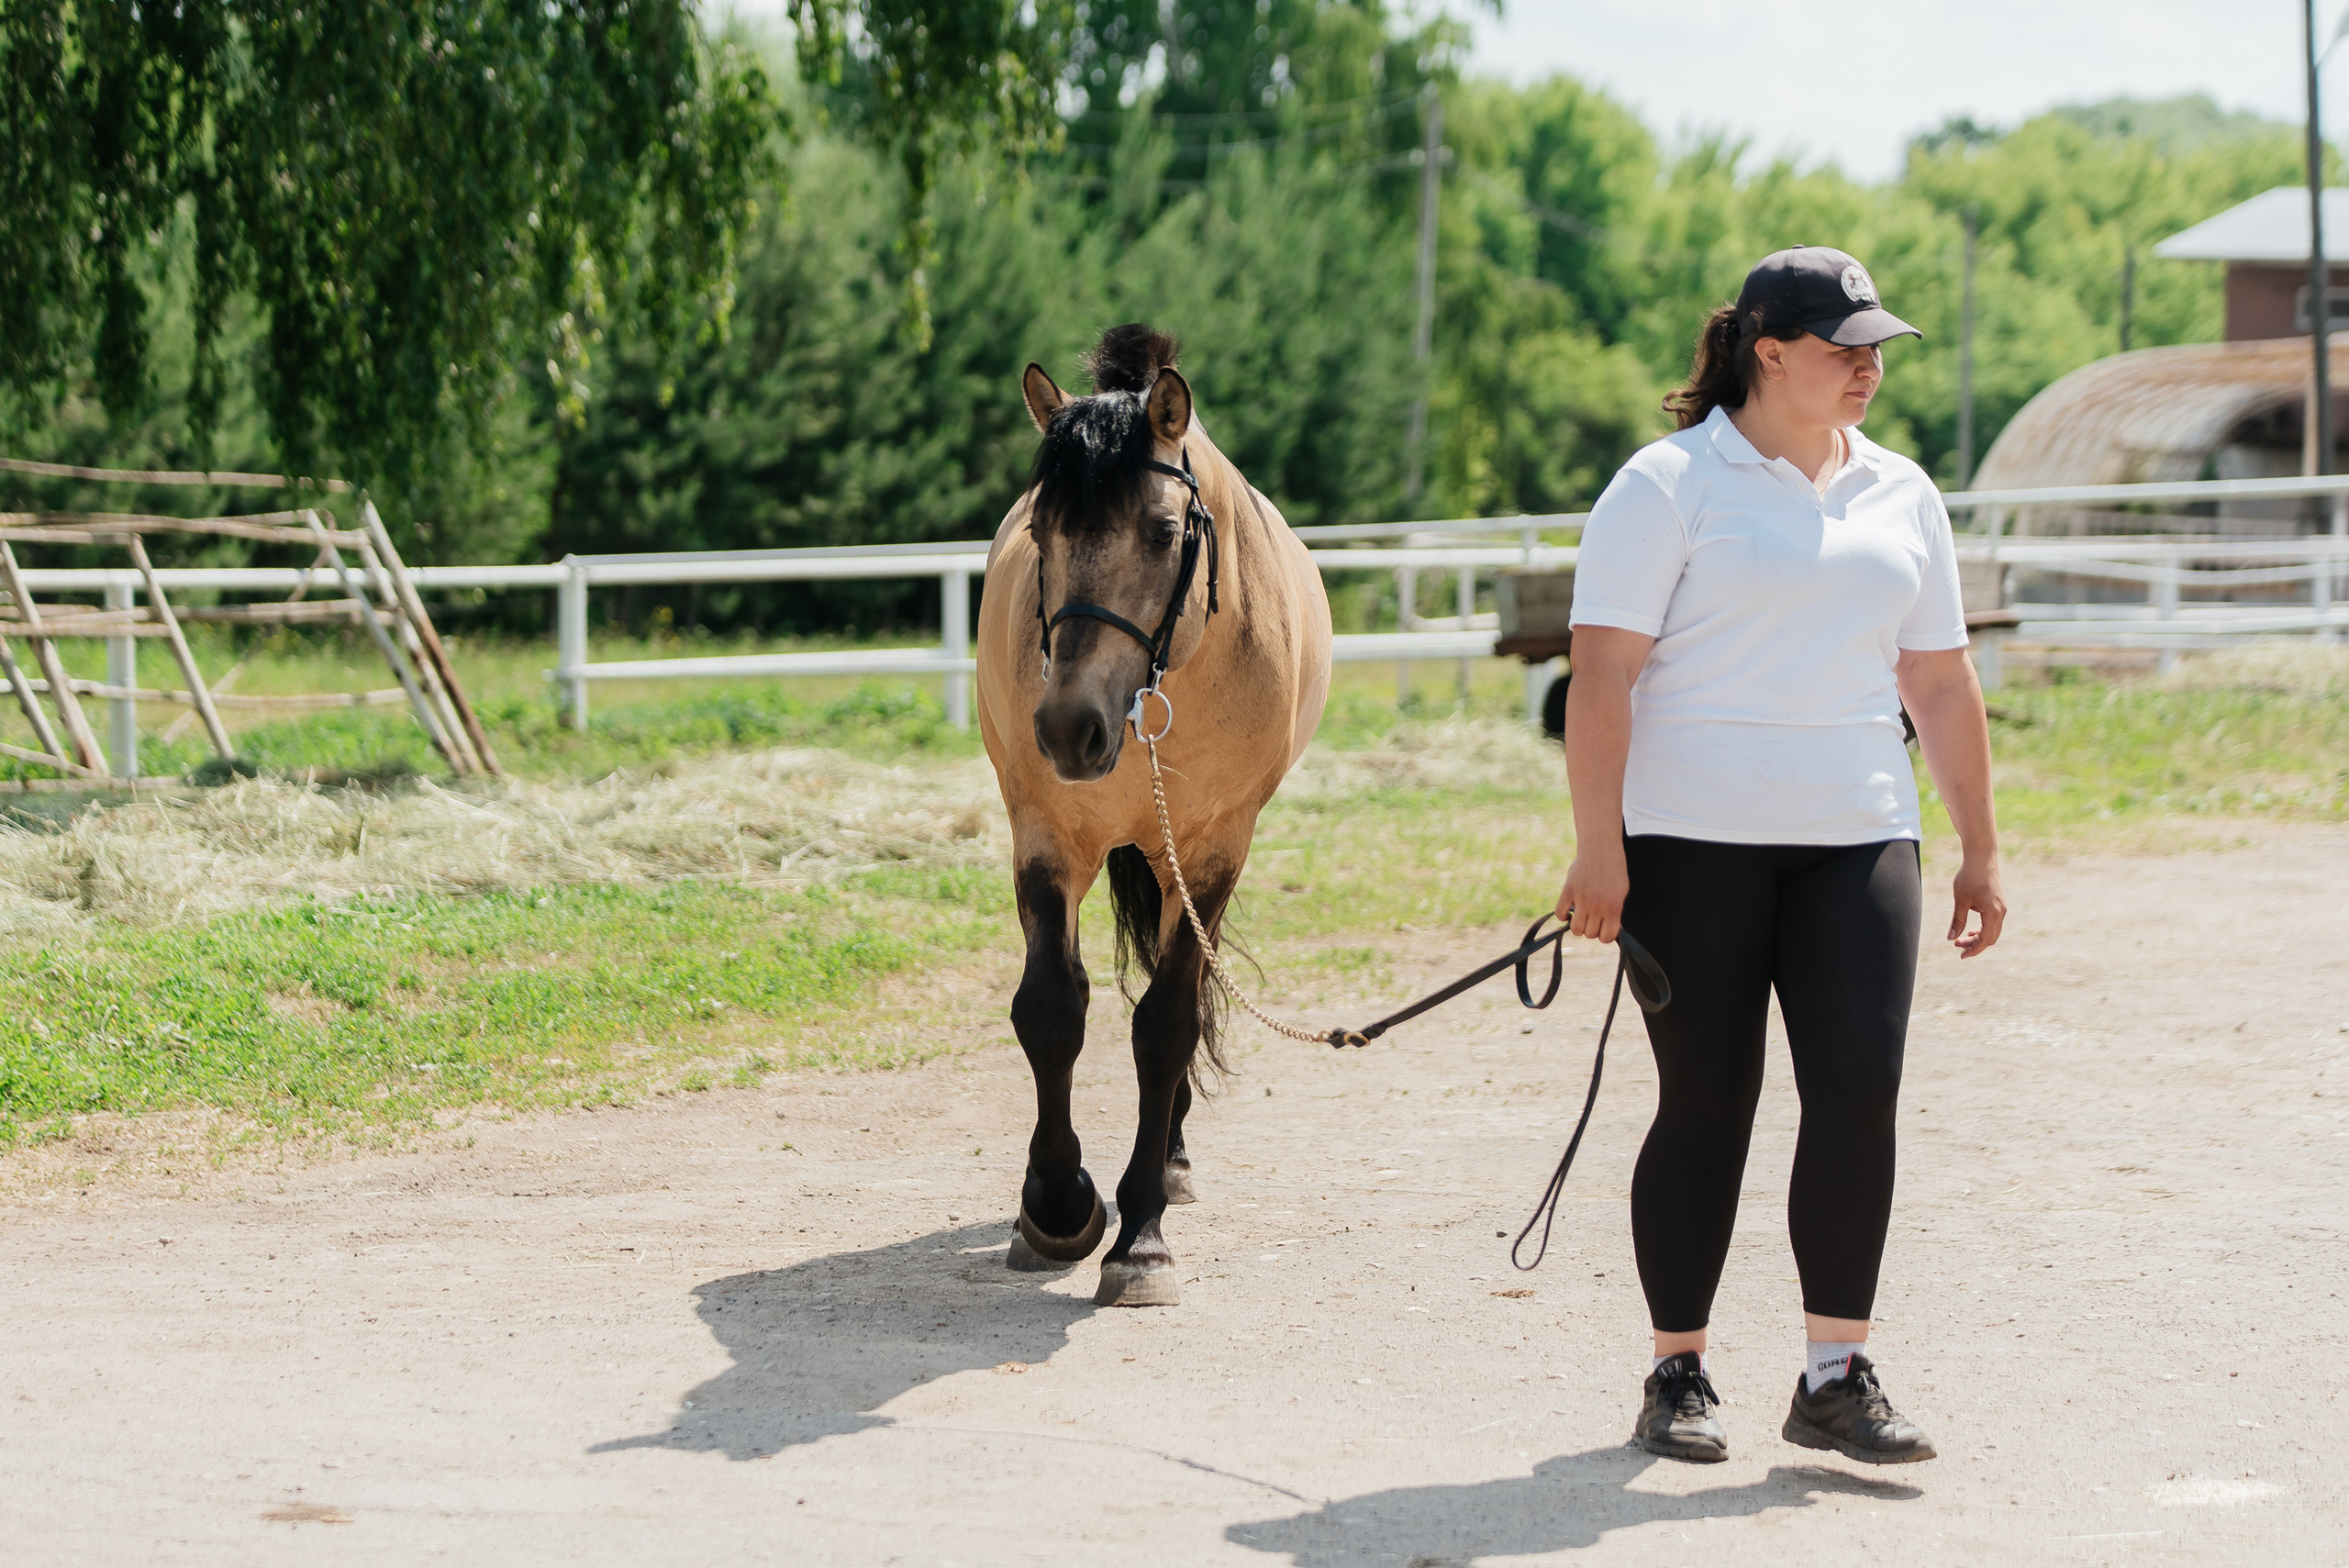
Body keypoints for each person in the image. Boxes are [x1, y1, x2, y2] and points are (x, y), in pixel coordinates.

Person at [1556, 246, 2005, 1466]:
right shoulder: (1667, 484)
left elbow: (1940, 679)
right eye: (1842, 348)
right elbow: (1602, 674)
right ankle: (1678, 1369)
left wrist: (1979, 846)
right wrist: (1600, 847)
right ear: (1767, 352)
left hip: (1859, 835)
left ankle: (1834, 1374)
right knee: (1709, 1101)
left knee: (1858, 1087)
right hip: (1689, 843)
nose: (1868, 368)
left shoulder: (1902, 492)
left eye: (1877, 349)